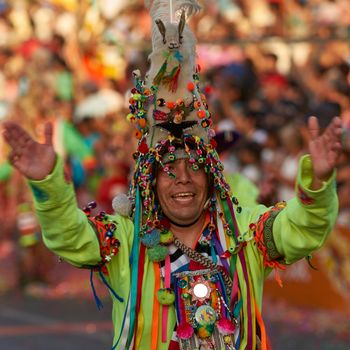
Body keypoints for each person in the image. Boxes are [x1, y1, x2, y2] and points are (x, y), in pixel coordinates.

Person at [1, 3, 344, 350]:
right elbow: (69, 236)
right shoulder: (126, 239)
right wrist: (48, 182)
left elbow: (302, 229)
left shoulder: (246, 234)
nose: (182, 178)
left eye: (194, 166)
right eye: (168, 169)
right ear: (150, 183)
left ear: (212, 176)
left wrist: (316, 183)